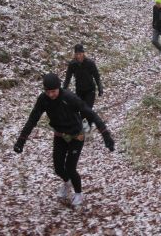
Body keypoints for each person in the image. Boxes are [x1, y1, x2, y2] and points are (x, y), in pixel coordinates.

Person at [13, 73, 115, 207]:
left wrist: (106, 135)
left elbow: (91, 113)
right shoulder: (43, 99)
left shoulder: (69, 97)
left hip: (76, 135)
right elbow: (32, 119)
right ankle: (67, 183)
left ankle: (78, 193)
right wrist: (21, 140)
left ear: (59, 88)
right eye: (48, 92)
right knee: (58, 168)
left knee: (70, 167)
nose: (51, 95)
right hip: (60, 135)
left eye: (53, 91)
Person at [63, 44, 103, 131]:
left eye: (80, 54)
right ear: (74, 55)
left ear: (83, 53)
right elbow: (68, 78)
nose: (79, 56)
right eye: (77, 54)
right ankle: (85, 129)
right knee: (82, 112)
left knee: (87, 110)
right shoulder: (72, 64)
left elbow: (96, 76)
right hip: (79, 91)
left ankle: (88, 128)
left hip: (90, 90)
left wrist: (100, 87)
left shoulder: (90, 63)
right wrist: (63, 91)